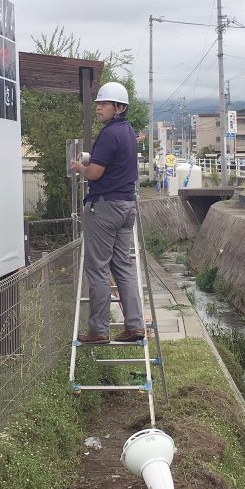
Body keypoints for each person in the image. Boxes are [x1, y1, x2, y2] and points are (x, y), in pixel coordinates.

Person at [69, 81, 145, 344]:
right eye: (98, 103)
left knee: (98, 268)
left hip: (104, 207)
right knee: (123, 266)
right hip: (126, 206)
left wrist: (80, 167)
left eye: (104, 103)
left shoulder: (109, 134)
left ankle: (98, 330)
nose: (99, 107)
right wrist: (92, 161)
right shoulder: (127, 132)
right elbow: (112, 164)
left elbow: (96, 173)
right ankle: (134, 325)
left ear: (119, 107)